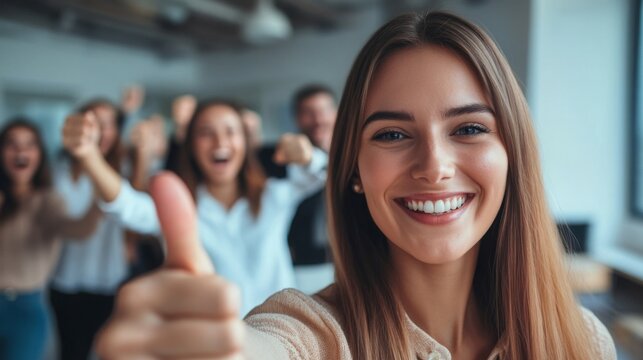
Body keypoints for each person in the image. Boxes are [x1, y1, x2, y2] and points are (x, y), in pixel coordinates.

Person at [95, 12, 616, 360]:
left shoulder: (583, 341)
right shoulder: (320, 335)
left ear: (513, 156)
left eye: (469, 128)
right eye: (392, 134)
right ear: (353, 173)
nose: (434, 166)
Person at [62, 99, 328, 315]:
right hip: (218, 341)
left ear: (245, 143)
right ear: (191, 147)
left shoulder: (273, 195)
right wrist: (89, 156)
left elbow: (322, 173)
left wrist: (306, 155)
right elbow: (128, 206)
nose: (220, 142)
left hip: (283, 335)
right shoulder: (181, 208)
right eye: (206, 132)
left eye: (230, 131)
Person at [0, 119, 100, 360]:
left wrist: (102, 195)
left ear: (39, 154)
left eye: (29, 144)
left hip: (27, 308)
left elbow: (80, 229)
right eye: (12, 144)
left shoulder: (48, 201)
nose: (21, 151)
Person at [48, 99, 131, 360]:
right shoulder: (56, 173)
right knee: (70, 352)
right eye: (95, 123)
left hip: (108, 280)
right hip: (64, 276)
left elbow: (141, 220)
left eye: (109, 124)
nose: (102, 131)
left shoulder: (125, 173)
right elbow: (63, 226)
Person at [286, 85, 337, 267]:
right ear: (297, 118)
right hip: (303, 262)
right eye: (308, 112)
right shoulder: (287, 166)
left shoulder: (358, 156)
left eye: (323, 110)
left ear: (336, 112)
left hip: (355, 256)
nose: (318, 120)